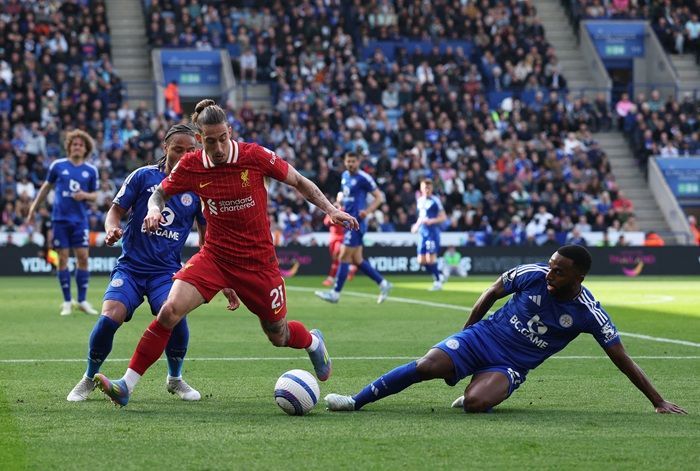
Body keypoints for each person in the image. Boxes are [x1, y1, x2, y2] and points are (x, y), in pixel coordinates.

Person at [94, 99, 358, 406]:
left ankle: (312, 342)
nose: (218, 148)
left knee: (278, 334)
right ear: (200, 139)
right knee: (169, 311)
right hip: (215, 258)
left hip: (258, 263)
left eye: (223, 138)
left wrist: (330, 209)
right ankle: (126, 385)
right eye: (210, 141)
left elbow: (298, 181)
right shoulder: (191, 165)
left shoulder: (254, 156)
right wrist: (154, 210)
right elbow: (160, 193)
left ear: (229, 131)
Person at [324, 245, 686, 415]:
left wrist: (657, 401)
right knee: (426, 366)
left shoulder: (589, 312)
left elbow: (622, 359)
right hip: (482, 338)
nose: (550, 273)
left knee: (475, 404)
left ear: (580, 277)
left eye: (559, 271)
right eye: (550, 266)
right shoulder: (533, 274)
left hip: (510, 363)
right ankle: (356, 400)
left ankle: (481, 386)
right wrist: (465, 334)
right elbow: (491, 292)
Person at [67, 124, 225, 402]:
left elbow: (206, 238)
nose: (184, 155)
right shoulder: (143, 176)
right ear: (165, 148)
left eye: (190, 150)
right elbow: (114, 212)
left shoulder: (199, 187)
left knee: (175, 314)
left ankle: (175, 378)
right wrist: (111, 229)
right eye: (178, 149)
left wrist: (216, 273)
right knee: (110, 316)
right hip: (131, 267)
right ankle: (89, 377)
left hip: (166, 272)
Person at [27, 130, 99, 316]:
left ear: (86, 149)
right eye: (74, 144)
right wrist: (33, 207)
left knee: (83, 257)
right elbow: (46, 187)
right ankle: (67, 301)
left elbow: (95, 196)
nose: (77, 147)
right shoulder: (57, 166)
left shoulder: (91, 170)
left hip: (80, 221)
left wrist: (85, 195)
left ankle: (82, 300)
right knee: (63, 259)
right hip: (60, 220)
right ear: (69, 147)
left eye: (81, 145)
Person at [315, 152, 392, 304]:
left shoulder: (364, 178)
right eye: (348, 161)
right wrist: (339, 204)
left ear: (358, 162)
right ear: (345, 162)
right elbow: (345, 194)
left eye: (353, 161)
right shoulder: (345, 176)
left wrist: (367, 212)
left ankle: (335, 293)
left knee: (343, 256)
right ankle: (383, 283)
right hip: (347, 220)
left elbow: (379, 197)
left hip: (356, 223)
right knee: (357, 259)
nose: (350, 164)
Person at [411, 179, 447, 290]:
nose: (426, 189)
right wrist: (416, 225)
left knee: (430, 258)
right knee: (421, 261)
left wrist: (432, 221)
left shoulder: (435, 200)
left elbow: (443, 217)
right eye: (424, 187)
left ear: (431, 188)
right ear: (421, 189)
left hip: (432, 232)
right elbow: (421, 216)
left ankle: (437, 281)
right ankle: (439, 274)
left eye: (428, 187)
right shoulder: (420, 201)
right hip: (422, 232)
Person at [322, 202, 356, 287]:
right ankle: (350, 268)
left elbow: (346, 223)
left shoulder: (343, 212)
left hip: (340, 238)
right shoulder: (331, 212)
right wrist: (332, 215)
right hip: (332, 239)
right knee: (335, 258)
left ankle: (331, 278)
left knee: (337, 257)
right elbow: (326, 223)